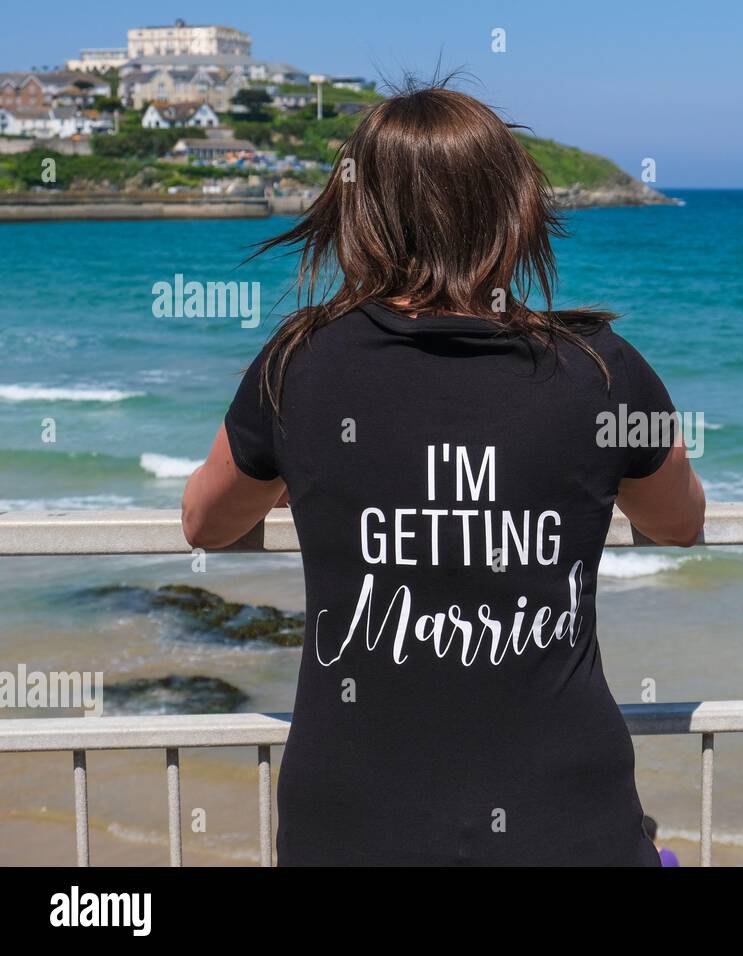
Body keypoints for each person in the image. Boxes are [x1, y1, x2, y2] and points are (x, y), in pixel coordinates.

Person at [181, 80, 706, 865]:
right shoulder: (602, 370)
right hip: (563, 819)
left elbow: (208, 522)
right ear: (514, 209)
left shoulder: (302, 366)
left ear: (357, 214)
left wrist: (312, 470)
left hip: (351, 826)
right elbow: (679, 522)